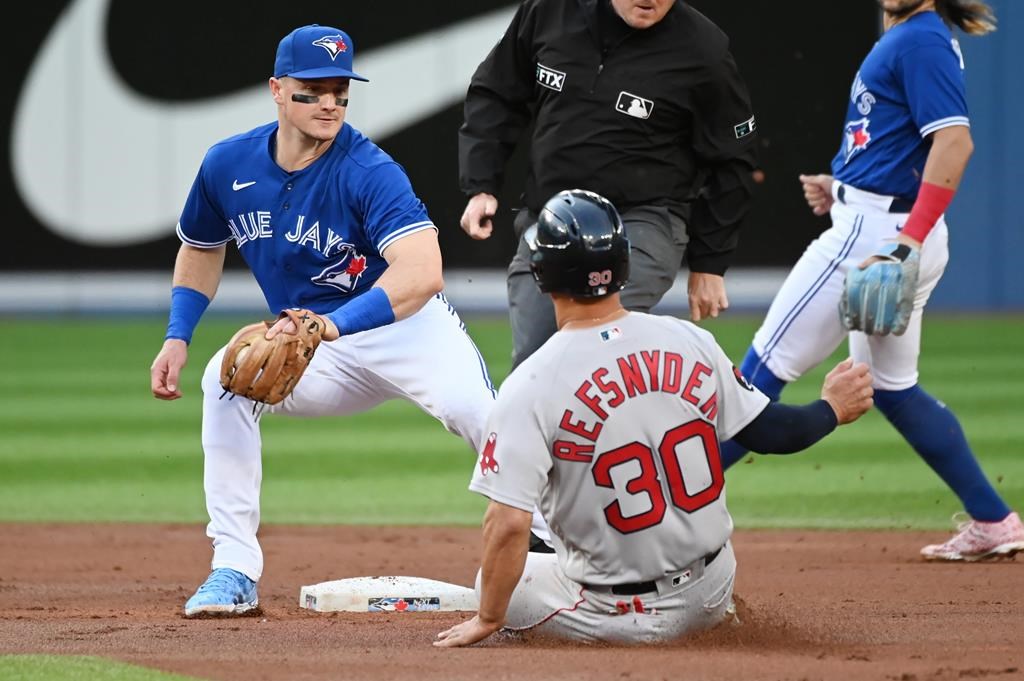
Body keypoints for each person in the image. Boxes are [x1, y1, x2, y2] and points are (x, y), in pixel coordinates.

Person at [148, 24, 497, 617]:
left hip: (403, 327)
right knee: (225, 385)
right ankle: (233, 568)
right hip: (314, 342)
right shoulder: (227, 164)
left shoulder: (368, 169)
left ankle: (549, 551)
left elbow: (422, 272)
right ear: (277, 90)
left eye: (340, 90)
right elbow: (201, 250)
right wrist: (177, 336)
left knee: (484, 416)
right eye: (313, 90)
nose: (330, 102)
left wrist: (332, 326)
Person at [434, 189, 874, 647]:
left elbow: (506, 526)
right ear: (624, 264)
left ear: (540, 275)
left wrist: (488, 618)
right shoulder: (689, 339)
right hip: (713, 588)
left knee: (493, 580)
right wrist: (832, 409)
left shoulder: (531, 383)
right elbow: (772, 432)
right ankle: (712, 616)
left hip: (617, 613)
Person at [718, 0, 1024, 561]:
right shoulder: (916, 35)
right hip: (890, 226)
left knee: (762, 371)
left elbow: (955, 144)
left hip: (878, 239)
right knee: (893, 389)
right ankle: (994, 520)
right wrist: (840, 190)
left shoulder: (920, 41)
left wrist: (902, 242)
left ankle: (661, 512)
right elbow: (896, 145)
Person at [458, 0, 759, 371]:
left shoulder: (703, 48)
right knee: (534, 367)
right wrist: (481, 185)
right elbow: (496, 93)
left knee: (588, 352)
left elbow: (732, 159)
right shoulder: (549, 12)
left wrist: (710, 265)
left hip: (644, 219)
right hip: (553, 218)